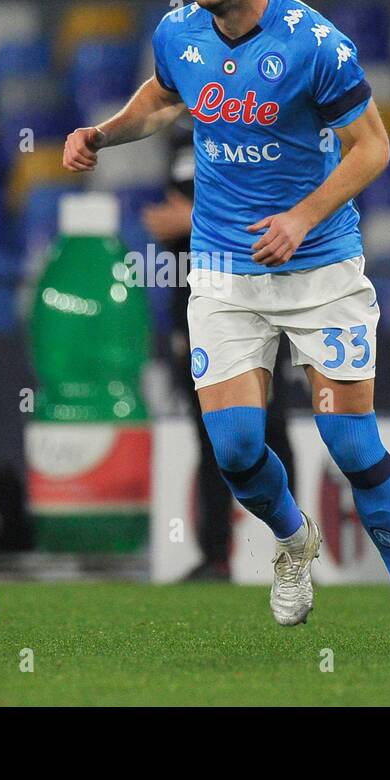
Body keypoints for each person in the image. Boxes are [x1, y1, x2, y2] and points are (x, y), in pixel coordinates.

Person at [63, 0, 390, 650]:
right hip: (224, 274)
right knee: (236, 448)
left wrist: (303, 216)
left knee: (352, 446)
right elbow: (165, 98)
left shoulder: (315, 44)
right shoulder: (178, 31)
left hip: (321, 270)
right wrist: (103, 134)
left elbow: (372, 146)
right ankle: (293, 538)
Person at [143, 131, 297, 581]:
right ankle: (216, 556)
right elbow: (181, 249)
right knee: (212, 439)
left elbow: (269, 213)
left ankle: (293, 549)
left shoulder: (256, 131)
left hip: (255, 304)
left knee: (272, 432)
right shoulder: (178, 143)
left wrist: (190, 219)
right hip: (197, 313)